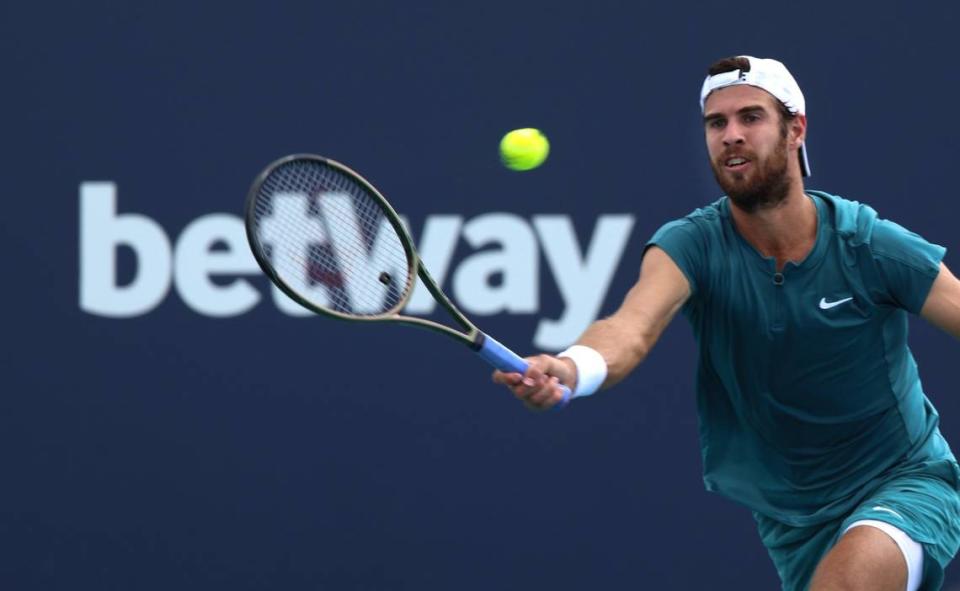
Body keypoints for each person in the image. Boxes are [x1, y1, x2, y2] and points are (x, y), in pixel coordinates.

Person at [493, 55, 960, 591]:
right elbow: (631, 328)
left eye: (751, 117)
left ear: (795, 130)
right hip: (790, 515)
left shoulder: (869, 244)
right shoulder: (690, 244)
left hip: (904, 480)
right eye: (717, 123)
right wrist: (571, 368)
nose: (731, 135)